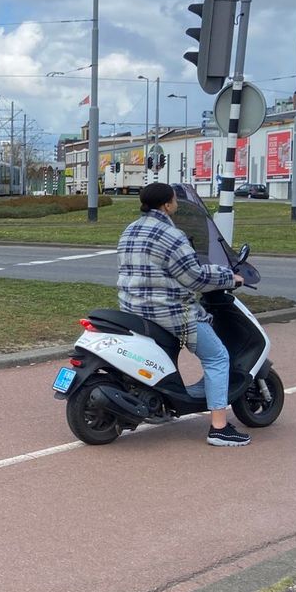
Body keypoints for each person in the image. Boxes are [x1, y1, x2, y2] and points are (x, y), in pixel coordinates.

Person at [117, 182, 250, 447]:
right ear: (167, 205)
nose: (176, 204)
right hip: (170, 312)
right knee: (217, 357)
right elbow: (195, 277)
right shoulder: (171, 234)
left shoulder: (130, 229)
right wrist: (229, 277)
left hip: (132, 308)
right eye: (174, 200)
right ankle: (220, 429)